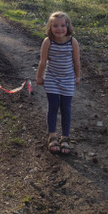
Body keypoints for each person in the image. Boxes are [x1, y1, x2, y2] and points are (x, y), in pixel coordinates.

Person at [36, 11, 80, 154]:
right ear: (50, 27)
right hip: (52, 79)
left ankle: (65, 138)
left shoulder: (73, 42)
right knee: (53, 106)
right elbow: (42, 62)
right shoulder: (47, 42)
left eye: (62, 25)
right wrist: (39, 76)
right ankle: (52, 136)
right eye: (55, 26)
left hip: (68, 80)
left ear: (68, 26)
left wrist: (77, 76)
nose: (59, 29)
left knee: (66, 108)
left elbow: (76, 61)